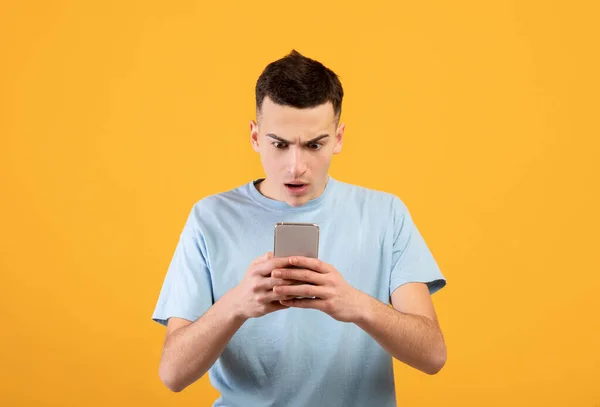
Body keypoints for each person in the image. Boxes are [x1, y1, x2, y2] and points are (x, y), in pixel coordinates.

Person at [152, 49, 447, 407]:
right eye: (279, 144)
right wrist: (236, 304)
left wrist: (355, 304)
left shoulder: (386, 214)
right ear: (255, 137)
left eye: (314, 145)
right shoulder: (210, 218)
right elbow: (172, 374)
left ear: (337, 138)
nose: (296, 167)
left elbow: (432, 355)